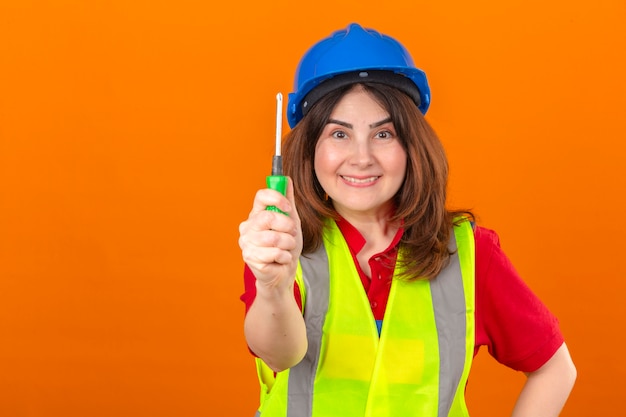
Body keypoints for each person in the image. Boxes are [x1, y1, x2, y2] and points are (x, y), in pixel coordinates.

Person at [238, 23, 576, 417]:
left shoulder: (469, 254)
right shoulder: (279, 241)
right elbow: (280, 355)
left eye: (384, 134)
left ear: (412, 147)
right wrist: (273, 288)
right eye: (339, 135)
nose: (361, 157)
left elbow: (555, 368)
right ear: (310, 151)